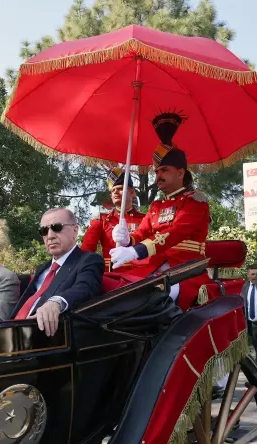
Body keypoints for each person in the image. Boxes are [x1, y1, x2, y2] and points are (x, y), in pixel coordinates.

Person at [109, 112, 211, 310]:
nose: (158, 176)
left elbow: (173, 234)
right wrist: (126, 239)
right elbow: (142, 233)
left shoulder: (195, 203)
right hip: (153, 268)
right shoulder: (156, 206)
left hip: (186, 271)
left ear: (181, 173)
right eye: (156, 171)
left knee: (152, 300)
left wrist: (134, 251)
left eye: (164, 170)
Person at [13, 208, 104, 336]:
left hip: (43, 340)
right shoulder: (42, 269)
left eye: (57, 227)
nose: (50, 236)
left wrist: (56, 302)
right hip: (11, 331)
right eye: (44, 231)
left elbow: (85, 287)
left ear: (75, 230)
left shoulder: (89, 260)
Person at [81, 167, 145, 272]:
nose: (115, 193)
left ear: (132, 192)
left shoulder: (145, 219)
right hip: (112, 276)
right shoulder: (101, 220)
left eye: (120, 188)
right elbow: (86, 252)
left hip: (141, 276)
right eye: (113, 190)